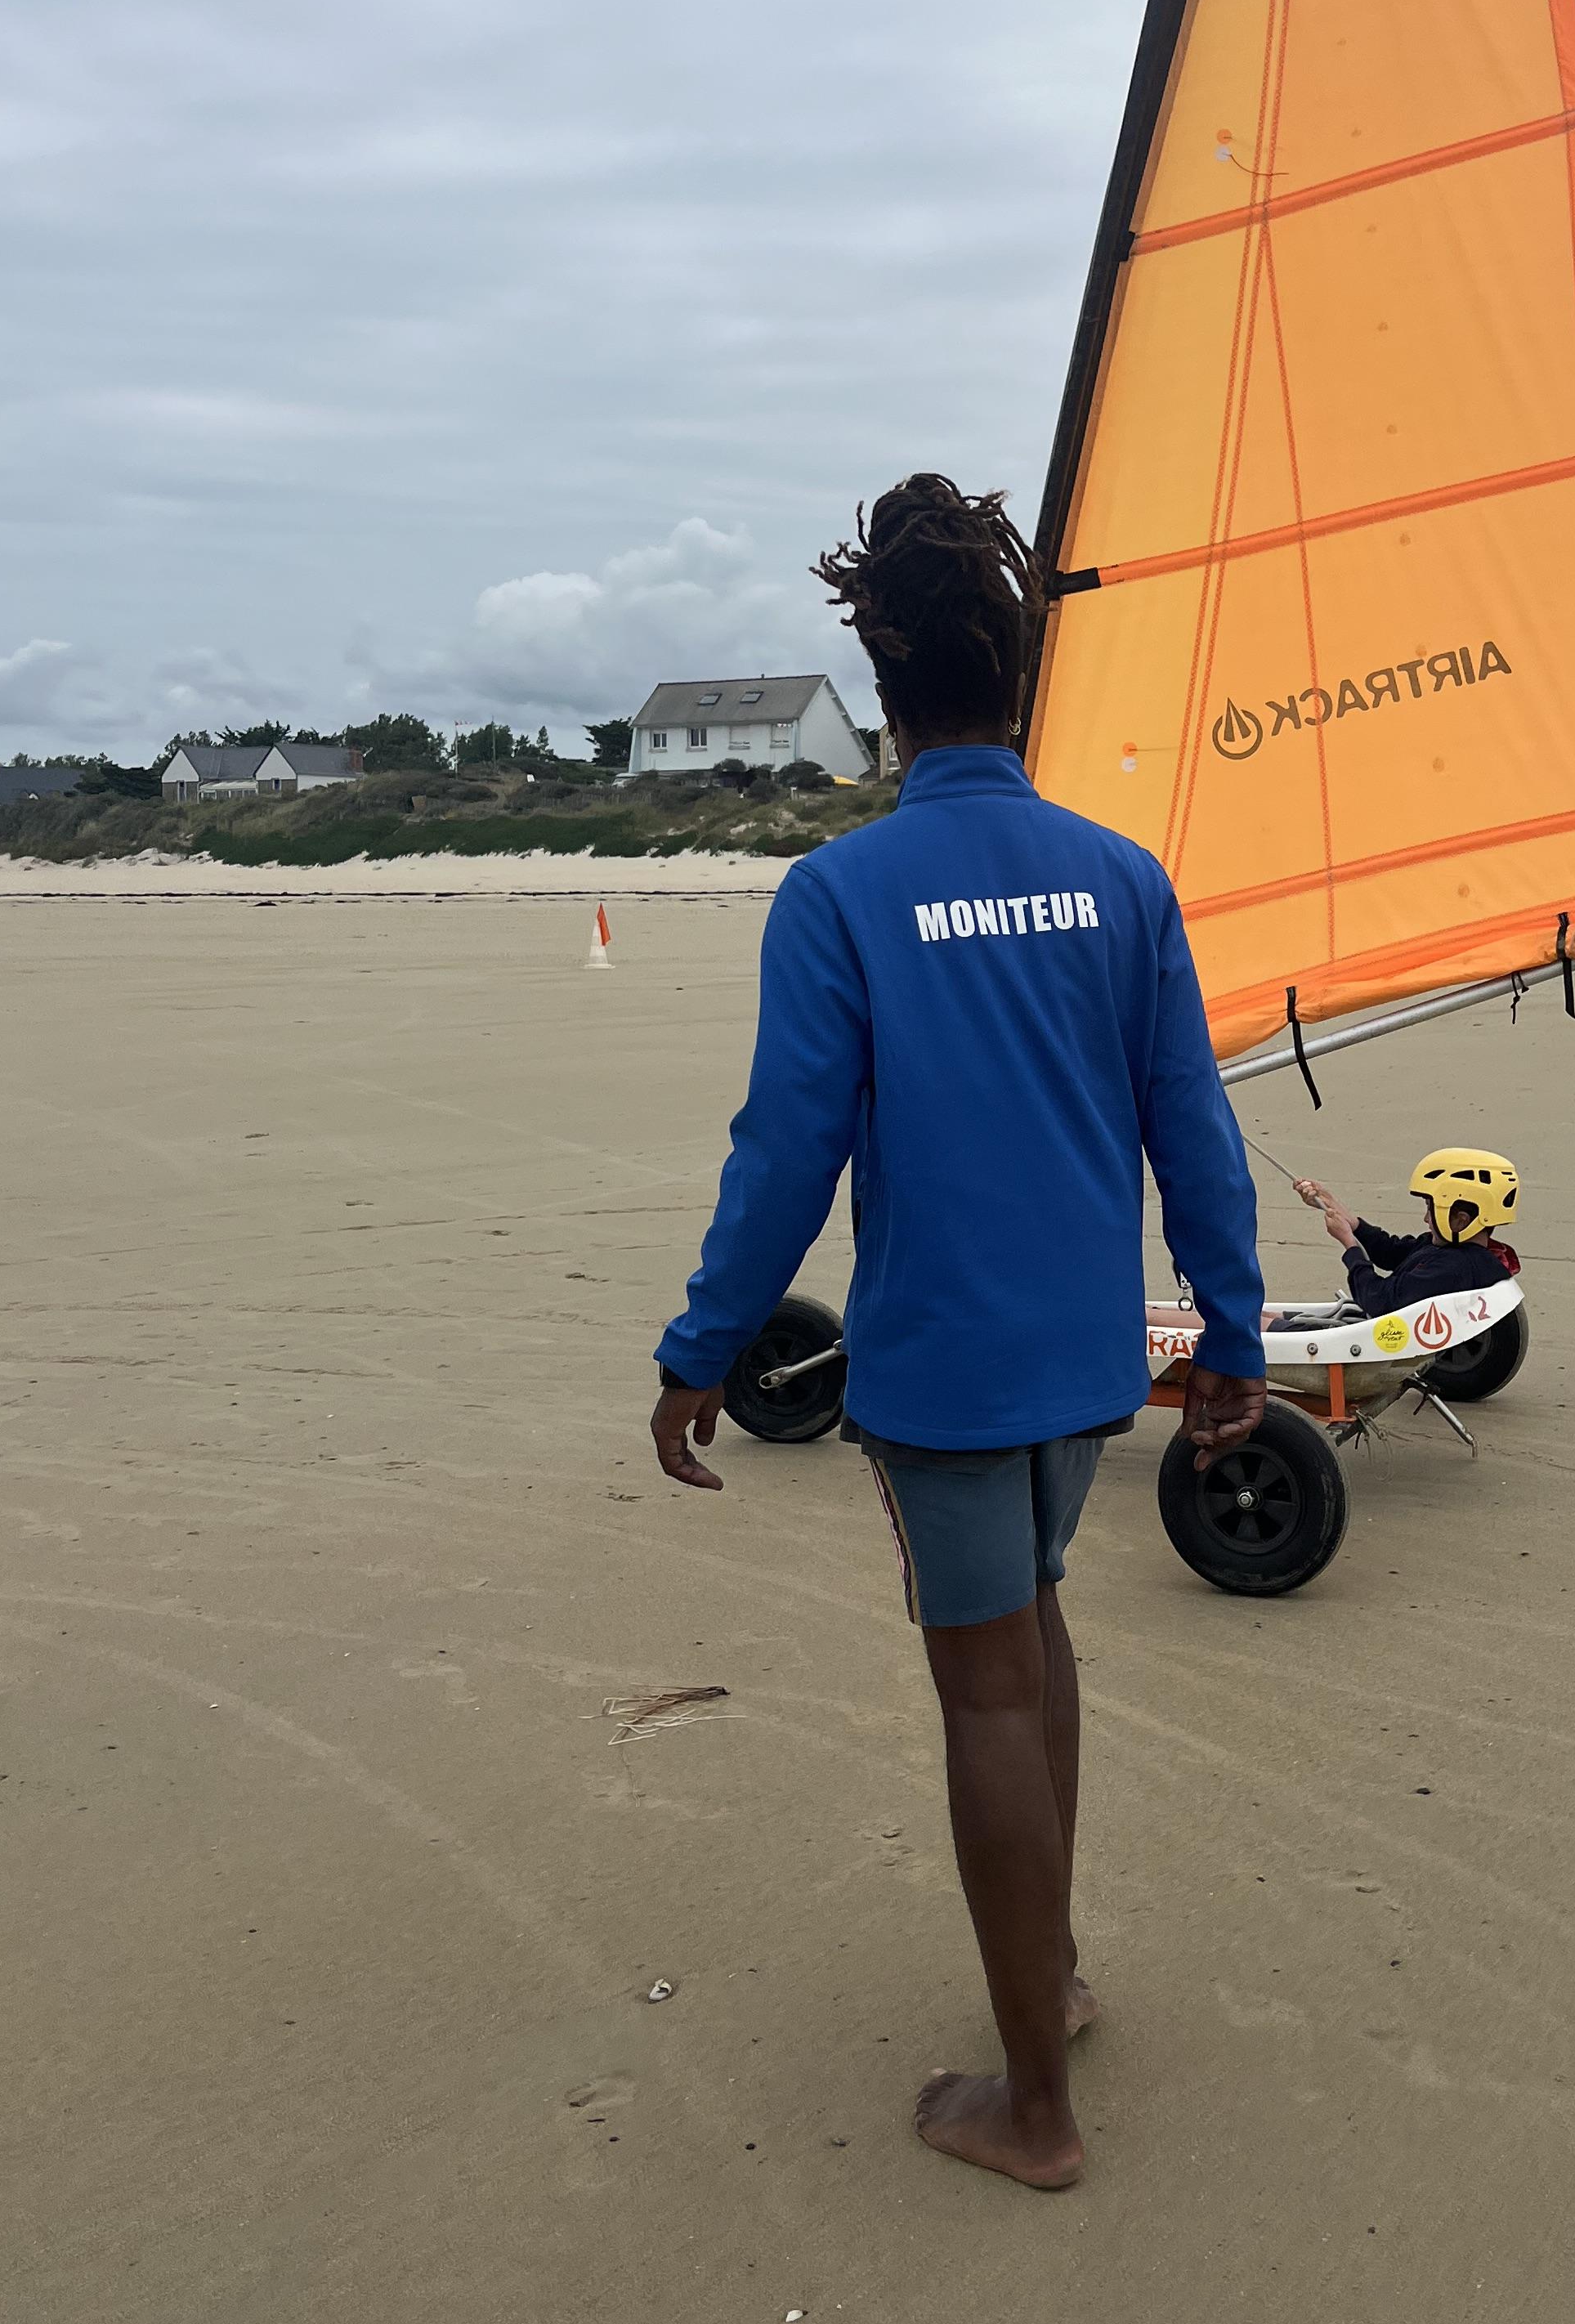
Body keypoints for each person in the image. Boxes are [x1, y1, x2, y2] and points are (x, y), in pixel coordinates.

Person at [647, 473, 1265, 2192]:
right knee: (1039, 1631)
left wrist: (704, 1348)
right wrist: (1230, 1327)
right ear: (1019, 674)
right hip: (1083, 1365)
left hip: (945, 1378)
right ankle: (1048, 1981)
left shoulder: (843, 895)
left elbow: (785, 1153)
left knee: (987, 1691)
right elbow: (1192, 1127)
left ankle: (1035, 2109)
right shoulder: (1118, 879)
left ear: (888, 686)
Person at [1295, 1147, 1522, 1318]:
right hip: (1386, 1327)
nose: (1426, 1219)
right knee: (1263, 1317)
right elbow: (1391, 1251)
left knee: (1262, 1324)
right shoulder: (1453, 1250)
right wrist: (1338, 1210)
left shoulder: (1452, 1268)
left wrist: (1350, 1246)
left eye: (1431, 1210)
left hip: (1383, 1337)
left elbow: (1379, 1300)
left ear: (1461, 1220)